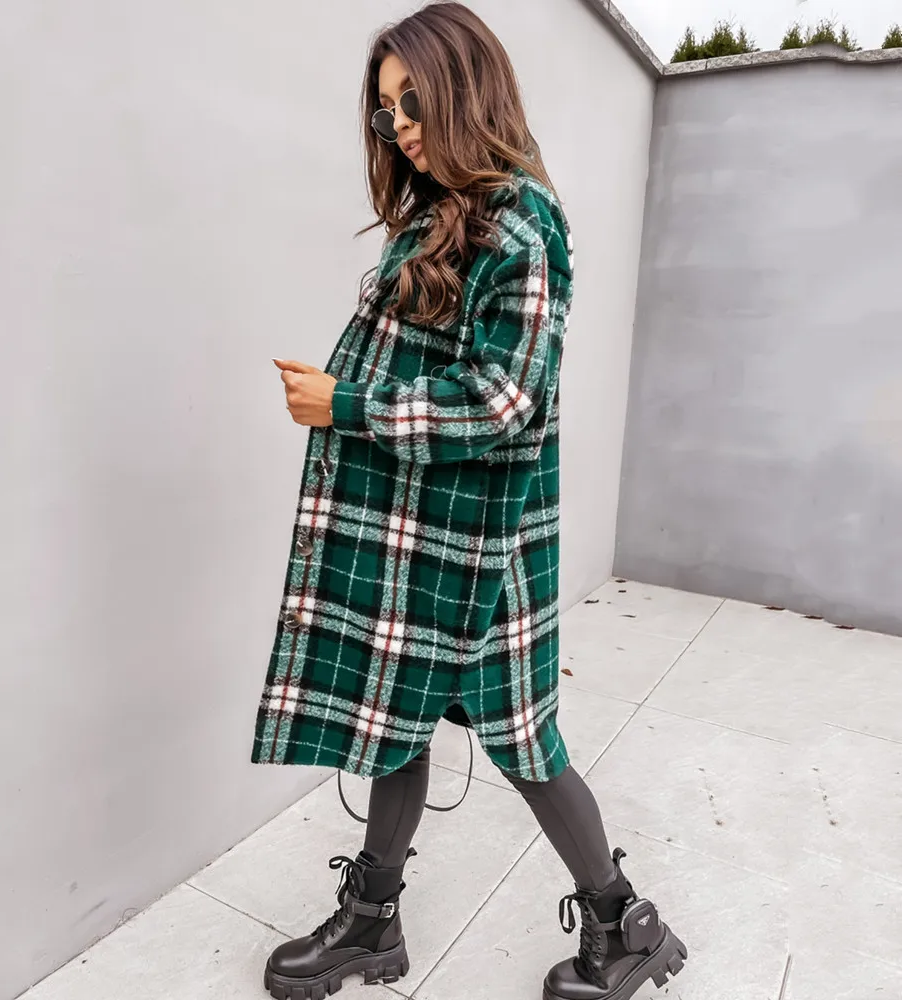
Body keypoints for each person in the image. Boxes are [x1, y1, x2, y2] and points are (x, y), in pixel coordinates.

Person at [251, 4, 687, 998]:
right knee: (397, 720)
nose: (399, 125)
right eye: (385, 111)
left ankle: (627, 927)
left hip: (482, 551)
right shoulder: (433, 216)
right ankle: (372, 923)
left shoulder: (522, 221)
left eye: (413, 100)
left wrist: (346, 403)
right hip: (419, 538)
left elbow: (503, 400)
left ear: (465, 87)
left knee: (525, 744)